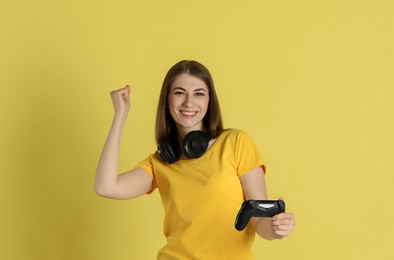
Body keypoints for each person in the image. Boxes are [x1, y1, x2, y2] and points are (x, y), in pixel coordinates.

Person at [95, 60, 296, 259]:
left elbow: (259, 221)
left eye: (199, 94)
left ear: (209, 102)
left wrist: (275, 228)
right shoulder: (160, 162)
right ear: (168, 100)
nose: (189, 103)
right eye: (179, 93)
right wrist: (120, 115)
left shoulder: (235, 143)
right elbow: (106, 187)